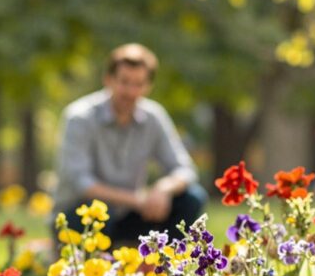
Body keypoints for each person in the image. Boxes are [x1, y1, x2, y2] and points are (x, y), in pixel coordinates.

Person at [53, 43, 205, 244]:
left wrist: (162, 189)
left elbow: (185, 169)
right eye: (124, 82)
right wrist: (138, 200)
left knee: (192, 198)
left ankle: (168, 268)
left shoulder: (154, 117)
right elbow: (82, 183)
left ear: (148, 86)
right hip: (78, 216)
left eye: (138, 84)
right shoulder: (79, 118)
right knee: (98, 215)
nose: (131, 91)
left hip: (131, 214)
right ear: (108, 80)